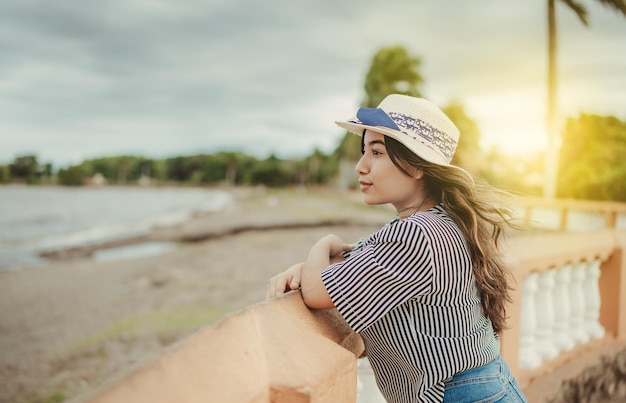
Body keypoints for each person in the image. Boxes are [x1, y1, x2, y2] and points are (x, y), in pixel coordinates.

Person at [266, 94, 527, 403]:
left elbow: (316, 291)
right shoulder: (440, 222)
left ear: (416, 167)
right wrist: (312, 265)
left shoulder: (417, 234)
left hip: (459, 395)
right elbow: (355, 260)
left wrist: (324, 242)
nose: (360, 166)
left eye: (377, 152)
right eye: (364, 151)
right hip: (486, 385)